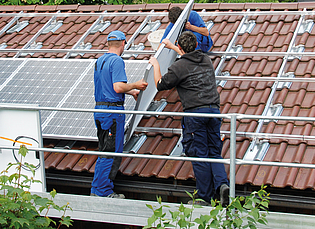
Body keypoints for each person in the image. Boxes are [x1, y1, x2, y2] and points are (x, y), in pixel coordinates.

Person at [149, 31, 229, 207]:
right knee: (214, 152)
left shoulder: (179, 67)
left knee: (200, 155)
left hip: (195, 114)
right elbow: (188, 58)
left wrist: (155, 65)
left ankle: (204, 198)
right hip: (214, 111)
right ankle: (222, 185)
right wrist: (175, 48)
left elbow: (160, 84)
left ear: (180, 47)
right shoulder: (206, 60)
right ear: (197, 46)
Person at [91, 30, 148, 198]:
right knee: (112, 152)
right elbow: (117, 87)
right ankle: (104, 191)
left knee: (104, 151)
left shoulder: (99, 61)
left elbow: (107, 87)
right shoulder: (117, 61)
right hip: (112, 113)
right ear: (124, 43)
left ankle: (97, 189)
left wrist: (130, 93)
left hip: (99, 110)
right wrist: (135, 85)